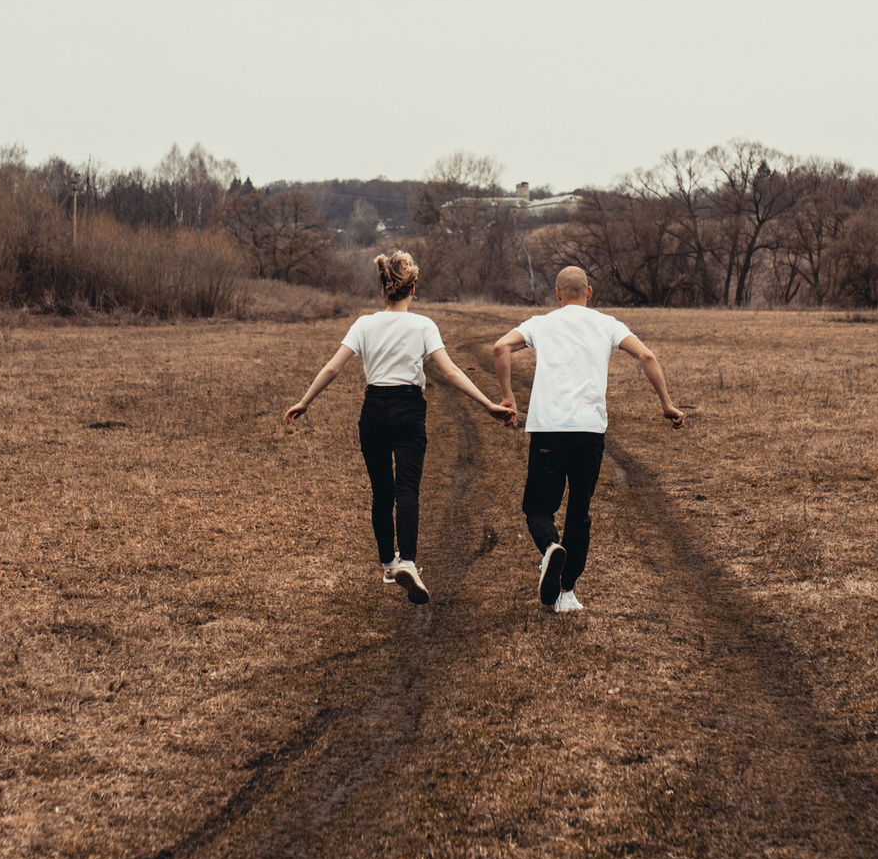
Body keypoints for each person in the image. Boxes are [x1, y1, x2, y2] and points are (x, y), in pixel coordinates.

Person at [285, 250, 514, 604]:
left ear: (382, 288)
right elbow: (451, 372)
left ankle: (389, 564)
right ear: (412, 289)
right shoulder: (423, 325)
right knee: (407, 489)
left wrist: (305, 400)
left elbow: (333, 368)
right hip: (408, 409)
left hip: (373, 410)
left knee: (382, 491)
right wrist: (487, 405)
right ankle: (408, 561)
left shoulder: (364, 324)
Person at [491, 265, 685, 614]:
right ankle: (566, 593)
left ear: (557, 293)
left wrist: (509, 397)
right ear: (590, 293)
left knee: (537, 507)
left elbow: (500, 347)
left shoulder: (541, 322)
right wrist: (667, 404)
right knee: (579, 512)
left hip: (548, 427)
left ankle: (551, 548)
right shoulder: (608, 324)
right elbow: (646, 355)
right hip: (589, 432)